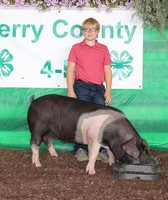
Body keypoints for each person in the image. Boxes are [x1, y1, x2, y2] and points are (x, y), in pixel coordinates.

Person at [66, 17, 112, 163]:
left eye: (92, 29)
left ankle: (101, 149)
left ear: (98, 31)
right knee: (81, 118)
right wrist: (70, 90)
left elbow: (108, 71)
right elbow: (70, 70)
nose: (89, 32)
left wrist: (108, 91)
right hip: (81, 87)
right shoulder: (76, 48)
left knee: (100, 119)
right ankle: (80, 148)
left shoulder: (103, 49)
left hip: (99, 88)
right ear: (82, 31)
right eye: (86, 29)